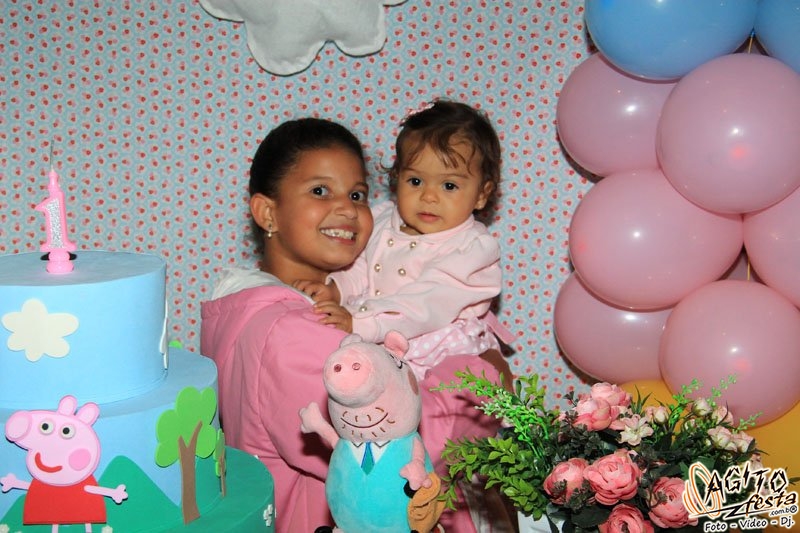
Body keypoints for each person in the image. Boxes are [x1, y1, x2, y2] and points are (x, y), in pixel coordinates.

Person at [200, 117, 509, 533]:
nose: (347, 208)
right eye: (319, 190)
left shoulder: (254, 306)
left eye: (358, 194)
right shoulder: (296, 332)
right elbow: (400, 455)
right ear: (267, 212)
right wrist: (485, 378)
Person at [294, 99, 513, 381]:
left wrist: (361, 322)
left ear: (482, 194)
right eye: (415, 181)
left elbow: (426, 304)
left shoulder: (472, 248)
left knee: (446, 392)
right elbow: (358, 266)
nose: (429, 196)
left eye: (449, 185)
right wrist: (335, 290)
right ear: (397, 178)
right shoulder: (383, 219)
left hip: (436, 345)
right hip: (371, 331)